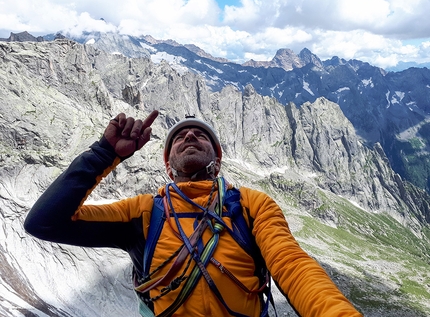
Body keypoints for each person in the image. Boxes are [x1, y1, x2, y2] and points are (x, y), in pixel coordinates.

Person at [24, 110, 363, 317]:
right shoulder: (142, 212)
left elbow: (293, 266)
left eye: (201, 136)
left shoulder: (252, 205)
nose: (189, 135)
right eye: (179, 137)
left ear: (217, 158)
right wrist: (104, 153)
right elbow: (44, 222)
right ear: (168, 167)